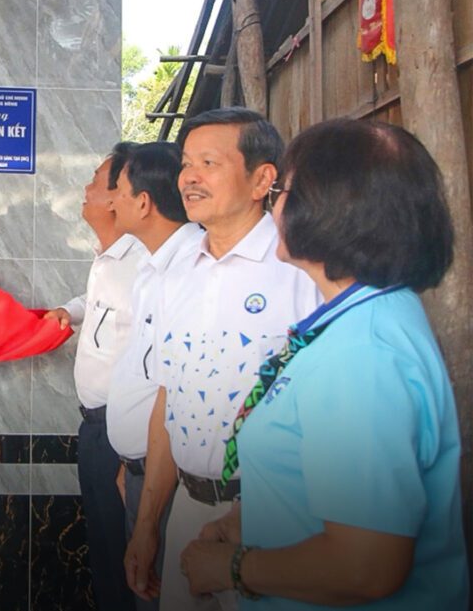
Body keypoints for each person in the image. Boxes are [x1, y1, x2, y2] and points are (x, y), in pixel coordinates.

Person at [180, 119, 469, 609]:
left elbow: (366, 565)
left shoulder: (363, 355)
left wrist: (231, 568)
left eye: (282, 190)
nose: (274, 205)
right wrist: (249, 519)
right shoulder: (366, 316)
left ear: (333, 206)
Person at [125, 108, 321, 611]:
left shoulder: (299, 271)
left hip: (276, 519)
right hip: (190, 509)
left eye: (208, 162)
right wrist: (148, 523)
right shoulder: (179, 274)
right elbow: (170, 399)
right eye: (187, 163)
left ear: (262, 179)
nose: (188, 176)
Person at [43, 150, 146, 611]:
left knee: (129, 564)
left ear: (121, 199)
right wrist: (72, 311)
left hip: (125, 437)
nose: (85, 188)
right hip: (96, 429)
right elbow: (96, 302)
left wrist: (134, 454)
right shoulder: (109, 258)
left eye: (96, 180)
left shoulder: (142, 265)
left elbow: (154, 366)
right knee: (105, 552)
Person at [103, 141, 203, 611]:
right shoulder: (153, 267)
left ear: (143, 202)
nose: (110, 202)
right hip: (144, 470)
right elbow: (145, 376)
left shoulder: (190, 271)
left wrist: (147, 512)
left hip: (171, 481)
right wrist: (131, 458)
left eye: (117, 190)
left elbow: (174, 393)